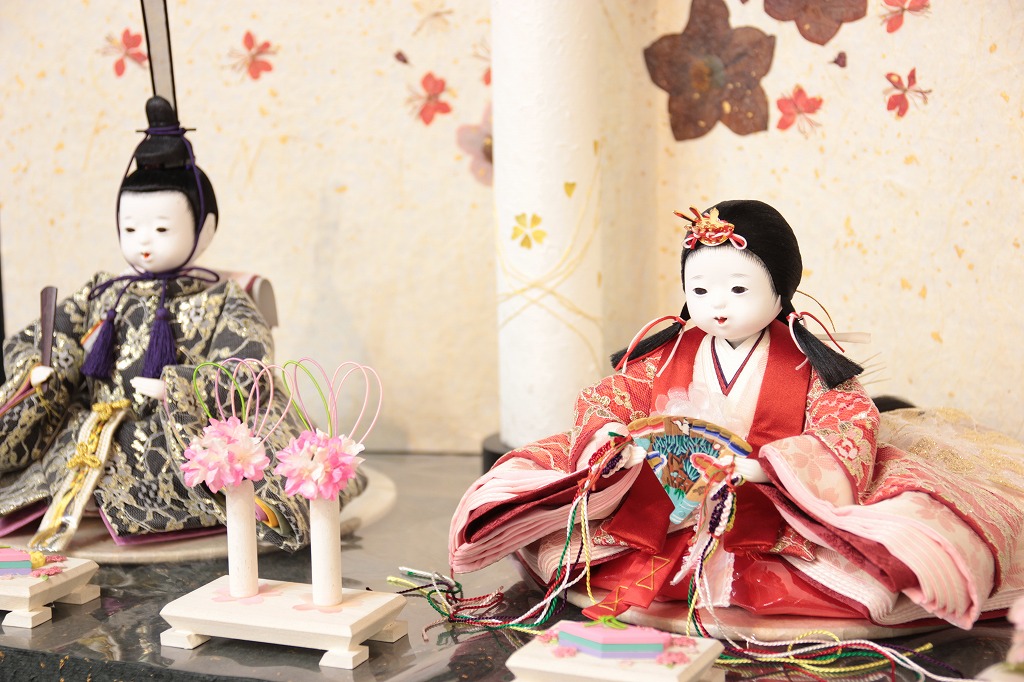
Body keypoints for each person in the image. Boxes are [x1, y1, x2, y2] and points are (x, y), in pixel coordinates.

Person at [450, 199, 1024, 630]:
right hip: (669, 495)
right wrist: (615, 437)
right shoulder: (669, 350)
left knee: (881, 558)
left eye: (737, 289)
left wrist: (773, 465)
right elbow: (612, 395)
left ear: (781, 289)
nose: (716, 305)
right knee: (566, 535)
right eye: (700, 290)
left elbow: (848, 419)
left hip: (768, 498)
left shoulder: (805, 360)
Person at [0, 96, 363, 552]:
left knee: (204, 472)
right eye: (131, 229)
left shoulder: (221, 298)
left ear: (204, 230)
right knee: (46, 480)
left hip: (168, 432)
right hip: (90, 426)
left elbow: (248, 366)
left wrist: (180, 387)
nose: (144, 243)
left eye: (161, 229)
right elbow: (47, 333)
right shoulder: (102, 292)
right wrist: (45, 366)